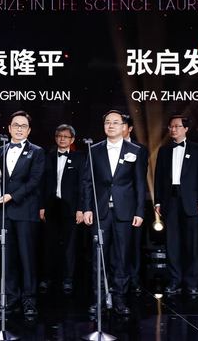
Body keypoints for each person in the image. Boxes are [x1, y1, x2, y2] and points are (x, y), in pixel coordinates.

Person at [83, 110, 146, 315]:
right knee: (98, 256)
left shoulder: (135, 150)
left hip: (125, 211)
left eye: (116, 122)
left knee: (122, 256)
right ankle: (99, 298)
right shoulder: (94, 150)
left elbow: (139, 184)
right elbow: (88, 182)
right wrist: (87, 208)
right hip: (100, 210)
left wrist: (139, 211)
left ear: (124, 126)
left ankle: (119, 297)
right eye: (108, 122)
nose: (111, 125)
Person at [0, 110, 45, 317]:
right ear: (9, 128)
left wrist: (11, 196)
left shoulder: (37, 151)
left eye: (23, 126)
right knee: (7, 258)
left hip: (25, 210)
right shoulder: (0, 150)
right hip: (4, 213)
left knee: (27, 258)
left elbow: (34, 181)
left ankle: (29, 300)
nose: (19, 129)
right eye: (15, 125)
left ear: (29, 130)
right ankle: (11, 298)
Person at [154, 115, 198, 296]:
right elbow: (159, 178)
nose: (173, 129)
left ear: (186, 129)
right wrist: (158, 201)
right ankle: (174, 281)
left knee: (191, 243)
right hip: (170, 200)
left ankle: (192, 282)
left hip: (191, 201)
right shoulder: (164, 151)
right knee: (172, 243)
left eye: (177, 126)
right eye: (171, 126)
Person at [39, 124, 90, 293]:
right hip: (51, 206)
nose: (62, 138)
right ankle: (48, 277)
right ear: (55, 138)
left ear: (72, 139)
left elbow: (83, 185)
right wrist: (41, 207)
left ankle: (68, 279)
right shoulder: (47, 158)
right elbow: (41, 184)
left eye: (66, 136)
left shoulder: (80, 159)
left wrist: (81, 208)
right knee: (49, 244)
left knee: (69, 245)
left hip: (71, 208)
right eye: (59, 135)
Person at [123, 114, 149, 294]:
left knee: (133, 243)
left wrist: (139, 209)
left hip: (132, 202)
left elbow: (140, 180)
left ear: (130, 128)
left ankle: (133, 279)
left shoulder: (140, 149)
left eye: (122, 124)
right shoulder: (105, 148)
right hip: (111, 203)